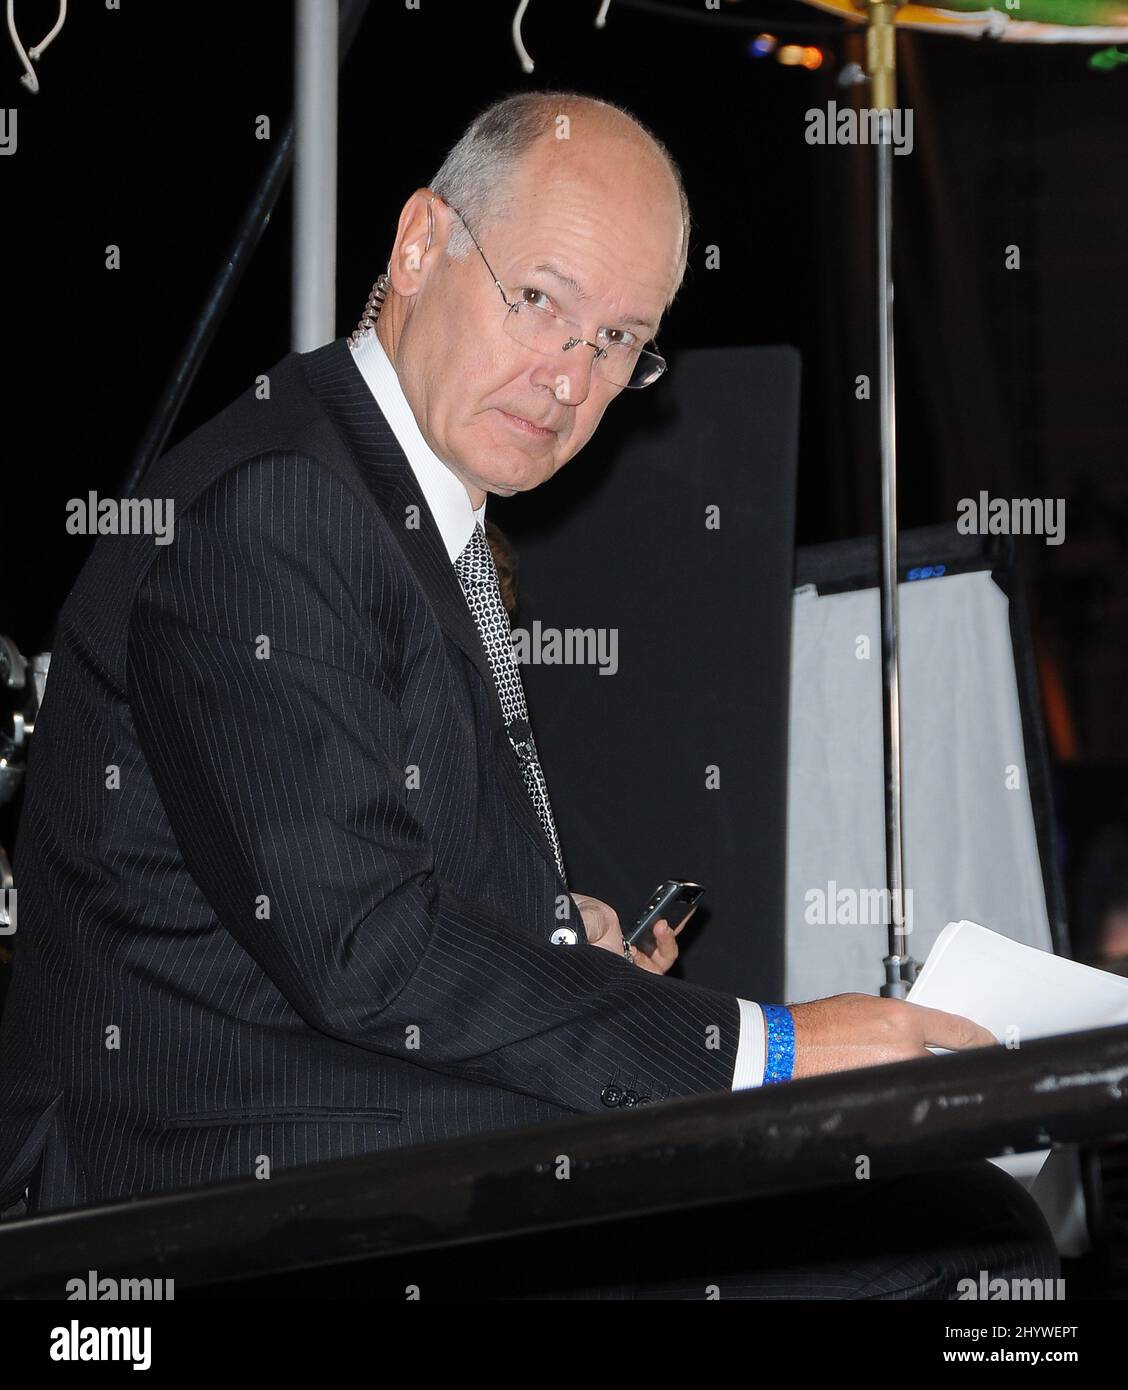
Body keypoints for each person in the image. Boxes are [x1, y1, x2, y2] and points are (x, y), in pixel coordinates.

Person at [0, 91, 1056, 1297]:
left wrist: (560, 933)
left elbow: (352, 890)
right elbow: (368, 954)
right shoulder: (282, 508)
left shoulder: (392, 501)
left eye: (618, 342)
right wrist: (766, 1049)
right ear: (418, 244)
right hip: (215, 1191)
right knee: (959, 1242)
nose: (569, 377)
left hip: (346, 1131)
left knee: (959, 1222)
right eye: (541, 301)